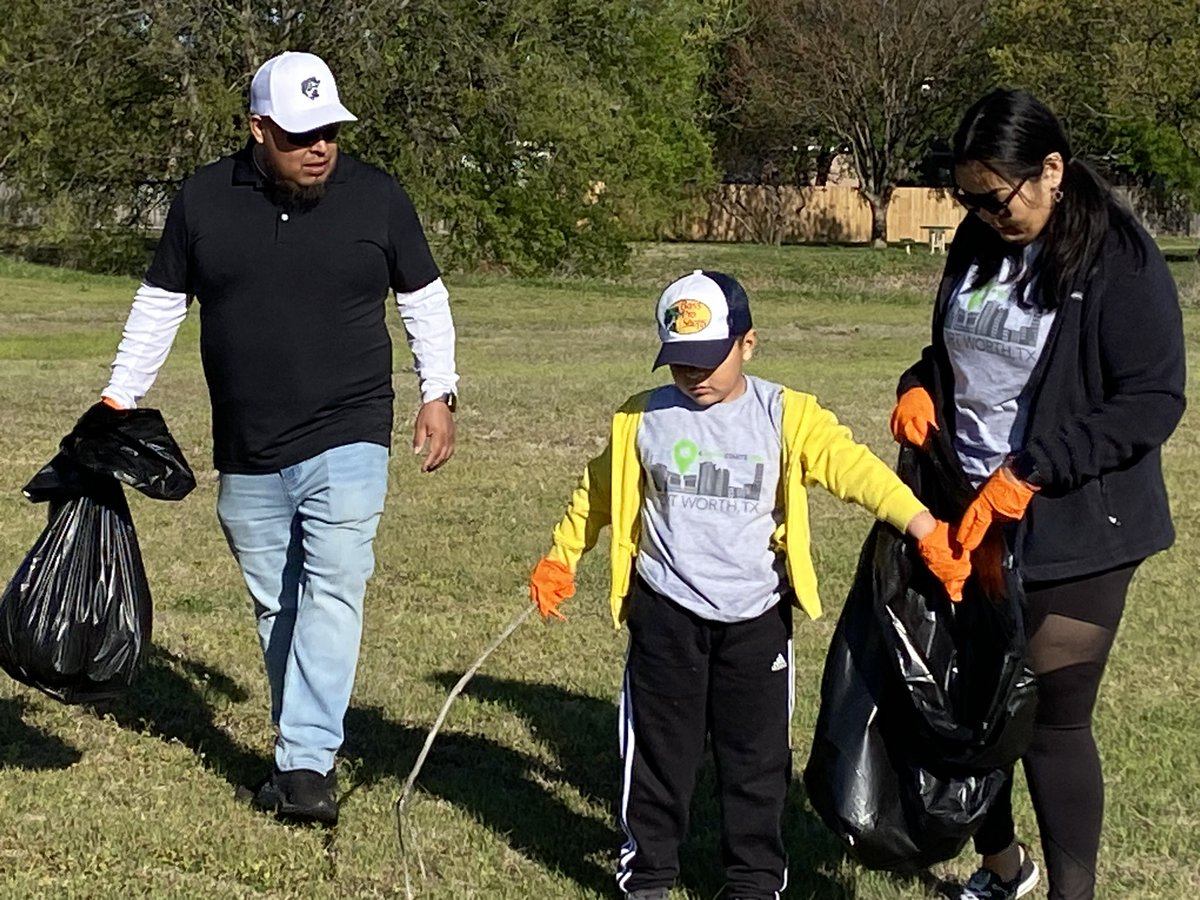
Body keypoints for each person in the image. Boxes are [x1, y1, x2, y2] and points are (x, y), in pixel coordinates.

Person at [99, 51, 459, 825]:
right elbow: (160, 305)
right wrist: (117, 397)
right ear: (258, 128)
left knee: (332, 589)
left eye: (328, 129)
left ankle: (303, 767)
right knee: (278, 606)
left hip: (351, 432)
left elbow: (424, 299)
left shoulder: (378, 198)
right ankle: (304, 744)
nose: (320, 146)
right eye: (300, 134)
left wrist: (440, 391)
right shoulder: (202, 200)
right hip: (249, 447)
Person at [529, 270, 970, 900]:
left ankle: (755, 882)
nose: (695, 376)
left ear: (749, 343)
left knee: (756, 763)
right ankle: (647, 877)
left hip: (756, 619)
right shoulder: (640, 420)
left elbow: (856, 470)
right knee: (659, 756)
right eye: (680, 363)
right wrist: (560, 558)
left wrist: (924, 527)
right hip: (666, 615)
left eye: (709, 360)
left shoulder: (785, 416)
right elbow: (595, 494)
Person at [891, 89, 1185, 900]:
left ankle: (1071, 894)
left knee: (1051, 719)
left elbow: (1153, 398)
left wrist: (1032, 471)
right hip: (965, 508)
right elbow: (961, 348)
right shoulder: (977, 243)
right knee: (967, 697)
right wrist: (922, 385)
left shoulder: (1118, 258)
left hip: (1076, 522)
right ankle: (1002, 865)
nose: (985, 214)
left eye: (997, 197)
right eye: (969, 200)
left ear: (1051, 170)